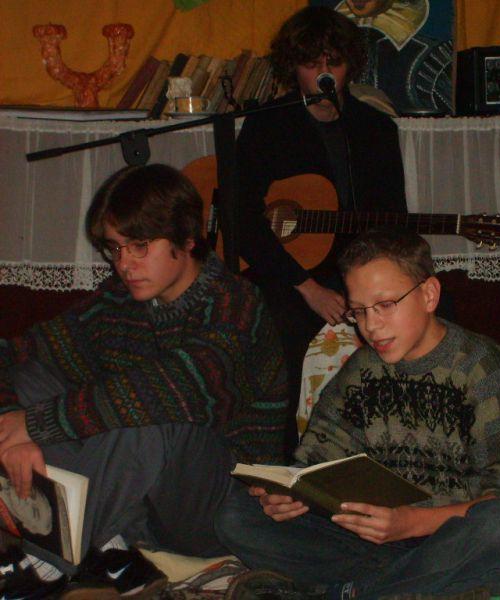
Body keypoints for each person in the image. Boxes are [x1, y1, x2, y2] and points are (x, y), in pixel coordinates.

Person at [215, 229, 500, 600]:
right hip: (385, 544)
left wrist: (411, 522)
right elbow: (318, 457)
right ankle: (392, 589)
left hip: (455, 538)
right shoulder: (361, 370)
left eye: (384, 305)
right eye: (359, 311)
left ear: (429, 295)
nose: (371, 325)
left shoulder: (482, 368)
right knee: (238, 514)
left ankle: (347, 592)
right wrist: (292, 495)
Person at [0, 164, 287, 598]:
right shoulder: (117, 301)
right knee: (30, 379)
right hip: (137, 502)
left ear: (187, 239)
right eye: (115, 248)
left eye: (140, 246)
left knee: (155, 413)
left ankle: (49, 561)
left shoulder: (236, 303)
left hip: (219, 508)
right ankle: (114, 551)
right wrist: (12, 425)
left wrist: (35, 424)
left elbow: (178, 388)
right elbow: (15, 354)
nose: (124, 264)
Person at [235, 5, 407, 458]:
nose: (325, 73)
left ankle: (397, 453)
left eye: (335, 62)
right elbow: (243, 220)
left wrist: (373, 288)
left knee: (424, 312)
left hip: (359, 271)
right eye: (313, 63)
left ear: (351, 65)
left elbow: (394, 220)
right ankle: (278, 462)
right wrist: (308, 287)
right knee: (277, 329)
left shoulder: (375, 130)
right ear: (294, 67)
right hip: (287, 274)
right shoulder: (267, 124)